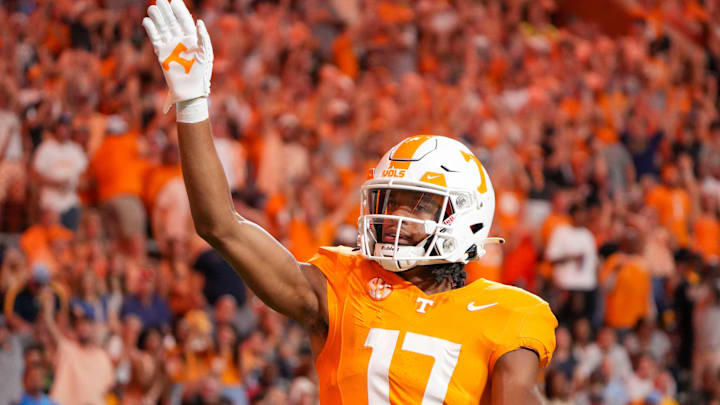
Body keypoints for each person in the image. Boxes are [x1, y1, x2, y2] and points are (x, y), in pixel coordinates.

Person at [142, 1, 557, 404]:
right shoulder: (344, 286)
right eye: (390, 200)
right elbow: (219, 224)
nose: (394, 214)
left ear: (466, 217)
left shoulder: (507, 311)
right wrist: (192, 103)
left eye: (416, 205)